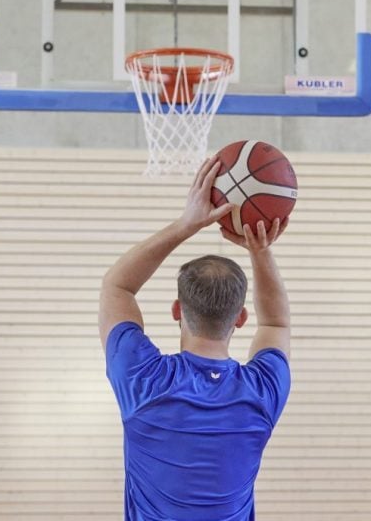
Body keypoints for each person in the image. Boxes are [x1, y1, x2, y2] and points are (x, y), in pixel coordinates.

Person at [99, 157, 291, 521]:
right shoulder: (263, 391)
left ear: (176, 310)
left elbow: (117, 286)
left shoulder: (144, 380)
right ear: (241, 318)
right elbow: (276, 324)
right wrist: (260, 250)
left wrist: (185, 225)